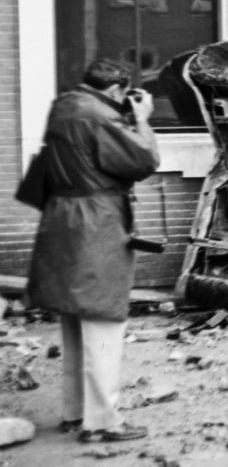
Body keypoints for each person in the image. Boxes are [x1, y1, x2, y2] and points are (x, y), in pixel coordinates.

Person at [26, 59, 159, 443]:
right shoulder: (100, 115)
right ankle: (102, 422)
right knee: (103, 319)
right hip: (95, 223)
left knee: (74, 318)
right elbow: (143, 160)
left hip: (62, 218)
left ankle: (74, 412)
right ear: (117, 90)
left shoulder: (64, 105)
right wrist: (143, 119)